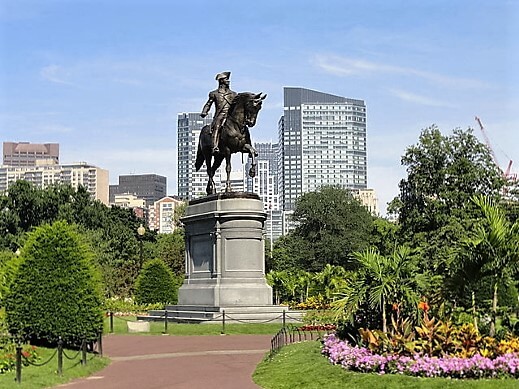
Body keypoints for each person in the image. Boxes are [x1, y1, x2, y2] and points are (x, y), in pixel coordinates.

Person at [200, 71, 237, 155]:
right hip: (220, 115)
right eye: (226, 79)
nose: (228, 81)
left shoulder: (234, 94)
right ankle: (215, 146)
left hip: (231, 116)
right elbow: (208, 104)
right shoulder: (214, 94)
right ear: (221, 81)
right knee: (217, 127)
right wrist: (204, 111)